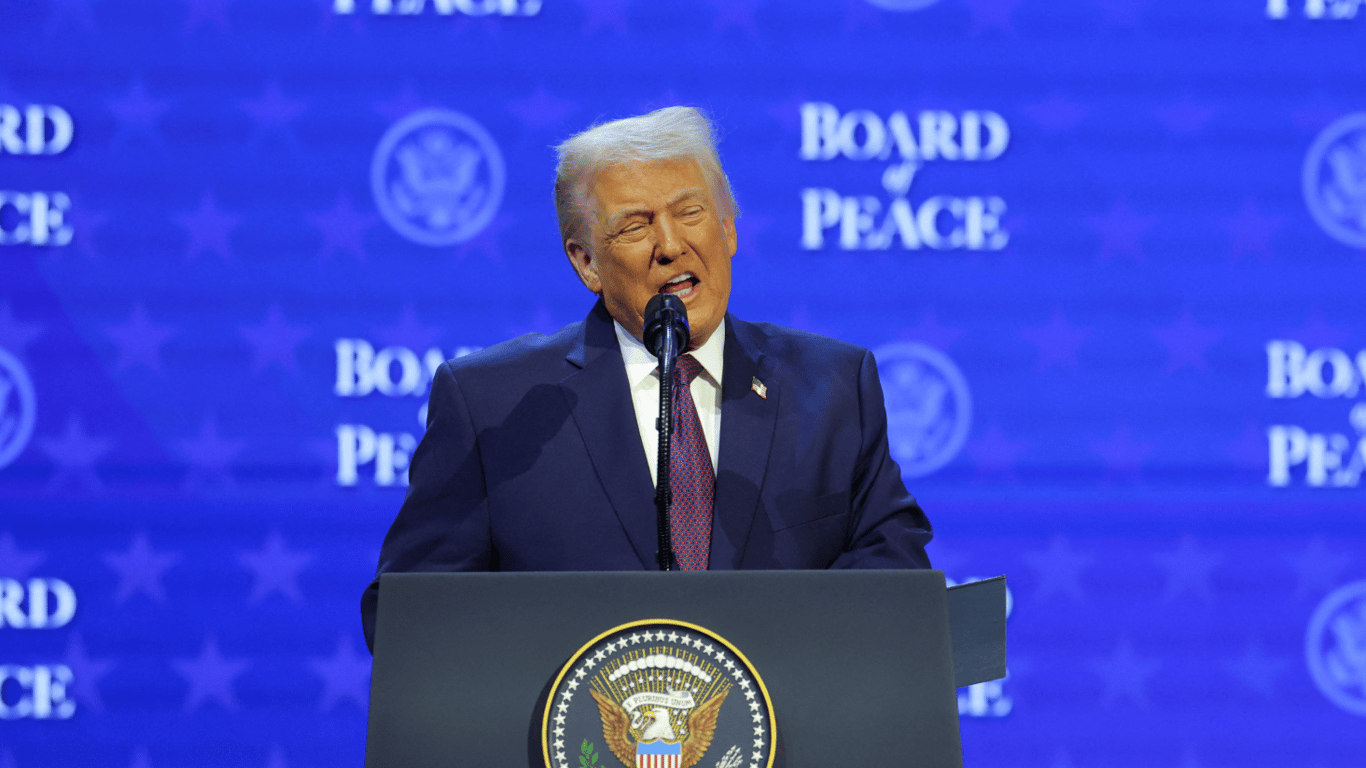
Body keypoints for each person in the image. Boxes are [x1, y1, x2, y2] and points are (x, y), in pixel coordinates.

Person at [361, 106, 932, 652]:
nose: (670, 245)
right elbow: (410, 616)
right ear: (586, 262)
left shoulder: (832, 386)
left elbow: (895, 572)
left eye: (691, 213)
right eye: (635, 226)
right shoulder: (494, 405)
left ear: (728, 229)